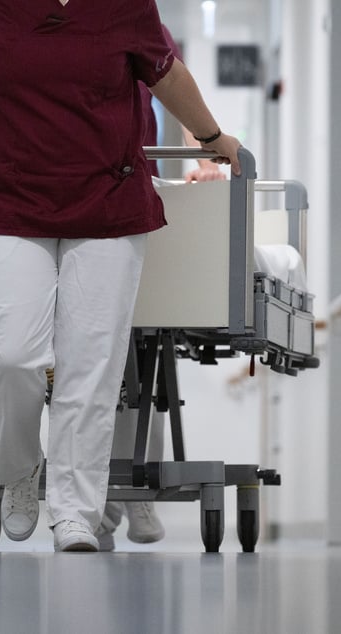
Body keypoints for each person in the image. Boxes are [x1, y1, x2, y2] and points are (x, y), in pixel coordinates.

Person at [0, 0, 241, 552]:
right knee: (9, 355)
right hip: (13, 198)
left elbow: (166, 73)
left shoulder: (128, 5)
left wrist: (212, 137)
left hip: (109, 200)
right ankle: (19, 472)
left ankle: (75, 511)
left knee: (90, 366)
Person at [96, 24, 226, 552]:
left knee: (140, 355)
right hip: (61, 193)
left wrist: (206, 159)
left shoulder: (134, 18)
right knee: (84, 365)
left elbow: (175, 86)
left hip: (128, 185)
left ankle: (131, 493)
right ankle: (98, 500)